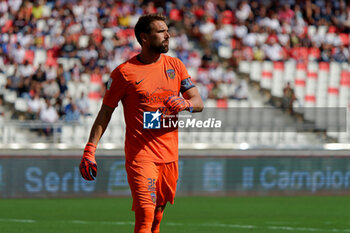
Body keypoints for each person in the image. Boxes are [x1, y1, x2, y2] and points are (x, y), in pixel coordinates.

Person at [79, 14, 204, 233]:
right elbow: (105, 112)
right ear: (144, 38)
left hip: (169, 156)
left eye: (167, 30)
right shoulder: (124, 73)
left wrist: (185, 104)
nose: (168, 35)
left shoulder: (176, 65)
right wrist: (90, 149)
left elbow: (198, 102)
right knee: (146, 214)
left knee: (157, 216)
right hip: (141, 156)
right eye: (161, 31)